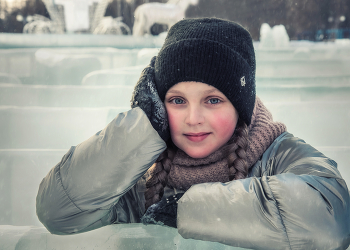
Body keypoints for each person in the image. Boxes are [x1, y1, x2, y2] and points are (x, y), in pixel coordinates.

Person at [36, 18, 350, 249]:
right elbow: (58, 213)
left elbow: (330, 220)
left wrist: (186, 209)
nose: (193, 118)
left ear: (241, 106)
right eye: (177, 101)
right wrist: (142, 127)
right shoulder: (140, 170)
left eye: (213, 100)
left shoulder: (278, 154)